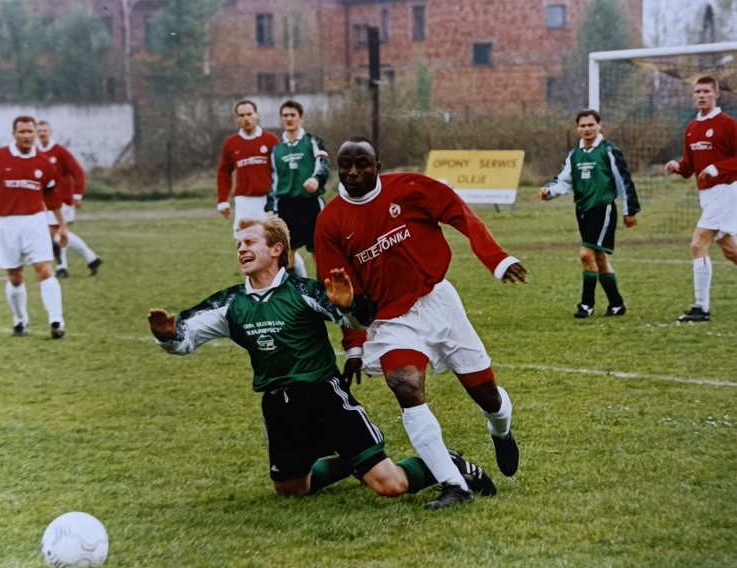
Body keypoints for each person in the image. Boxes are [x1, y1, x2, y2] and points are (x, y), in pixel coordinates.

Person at [148, 217, 496, 509]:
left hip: (324, 396)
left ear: (276, 249)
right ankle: (349, 461)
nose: (241, 249)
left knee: (390, 486)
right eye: (239, 245)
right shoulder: (231, 302)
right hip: (279, 405)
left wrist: (346, 306)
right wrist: (167, 335)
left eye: (250, 242)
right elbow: (185, 336)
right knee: (291, 490)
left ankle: (444, 463)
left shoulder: (303, 290)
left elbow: (358, 321)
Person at [314, 137, 529, 508]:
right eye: (344, 165)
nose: (352, 172)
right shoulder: (330, 221)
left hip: (439, 302)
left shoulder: (411, 188)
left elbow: (461, 213)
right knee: (405, 384)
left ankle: (501, 429)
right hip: (392, 321)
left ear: (378, 166)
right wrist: (354, 340)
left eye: (361, 164)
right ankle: (454, 484)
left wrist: (497, 260)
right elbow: (341, 292)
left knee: (489, 397)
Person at [540, 109, 641, 319]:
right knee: (599, 258)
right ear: (578, 128)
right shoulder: (574, 155)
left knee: (586, 254)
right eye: (583, 126)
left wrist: (629, 210)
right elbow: (564, 181)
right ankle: (616, 304)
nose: (587, 129)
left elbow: (623, 181)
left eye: (590, 125)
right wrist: (549, 192)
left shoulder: (609, 151)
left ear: (599, 125)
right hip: (583, 209)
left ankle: (586, 305)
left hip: (602, 208)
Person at [0, 115, 67, 339]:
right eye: (22, 132)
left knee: (44, 269)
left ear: (36, 133)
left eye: (30, 131)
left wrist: (62, 226)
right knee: (15, 276)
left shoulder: (44, 163)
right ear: (14, 134)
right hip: (5, 223)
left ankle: (57, 320)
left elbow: (52, 196)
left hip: (35, 221)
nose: (27, 135)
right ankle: (19, 320)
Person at [665, 75, 737, 322]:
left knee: (698, 244)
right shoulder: (691, 128)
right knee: (730, 250)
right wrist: (677, 166)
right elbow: (689, 168)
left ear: (716, 95)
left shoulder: (727, 124)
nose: (701, 95)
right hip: (707, 195)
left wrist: (719, 169)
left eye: (706, 91)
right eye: (697, 92)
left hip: (726, 191)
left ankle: (701, 308)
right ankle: (700, 308)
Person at [267, 100, 329, 277]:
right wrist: (271, 208)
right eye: (285, 115)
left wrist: (316, 179)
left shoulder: (313, 141)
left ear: (301, 118)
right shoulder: (276, 151)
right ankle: (296, 300)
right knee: (286, 258)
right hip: (287, 206)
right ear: (281, 119)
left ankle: (324, 298)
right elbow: (273, 181)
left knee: (319, 254)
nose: (289, 119)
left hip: (311, 205)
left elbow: (323, 163)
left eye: (292, 115)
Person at [35, 120, 103, 278]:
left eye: (45, 130)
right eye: (39, 131)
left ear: (50, 132)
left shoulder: (60, 151)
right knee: (57, 235)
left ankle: (62, 267)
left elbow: (78, 172)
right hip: (47, 202)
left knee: (56, 234)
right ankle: (91, 258)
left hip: (63, 201)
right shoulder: (36, 153)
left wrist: (77, 195)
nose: (42, 133)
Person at [216, 100, 280, 236]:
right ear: (237, 118)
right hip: (244, 202)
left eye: (249, 114)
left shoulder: (271, 140)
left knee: (278, 244)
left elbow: (281, 170)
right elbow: (224, 171)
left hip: (268, 200)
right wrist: (222, 200)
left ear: (257, 115)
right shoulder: (231, 143)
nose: (246, 118)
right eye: (242, 115)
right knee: (244, 243)